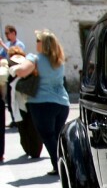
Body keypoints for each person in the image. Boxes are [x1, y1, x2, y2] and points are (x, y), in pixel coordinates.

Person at [12, 29, 70, 175]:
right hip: (62, 102)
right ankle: (66, 164)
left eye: (37, 40)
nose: (35, 43)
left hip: (42, 102)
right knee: (57, 135)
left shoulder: (35, 58)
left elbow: (22, 71)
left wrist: (14, 67)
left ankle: (58, 166)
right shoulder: (59, 60)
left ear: (43, 43)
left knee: (47, 135)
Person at [7, 46, 43, 159]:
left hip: (19, 101)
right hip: (31, 98)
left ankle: (29, 149)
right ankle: (35, 150)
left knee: (23, 127)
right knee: (33, 126)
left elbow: (9, 85)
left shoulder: (11, 63)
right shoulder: (27, 62)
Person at [1, 25, 26, 128]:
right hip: (9, 73)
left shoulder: (19, 44)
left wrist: (2, 44)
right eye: (5, 33)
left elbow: (15, 54)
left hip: (17, 74)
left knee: (18, 97)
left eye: (7, 33)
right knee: (9, 97)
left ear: (13, 33)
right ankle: (14, 118)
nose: (6, 35)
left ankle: (20, 118)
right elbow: (2, 55)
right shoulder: (7, 44)